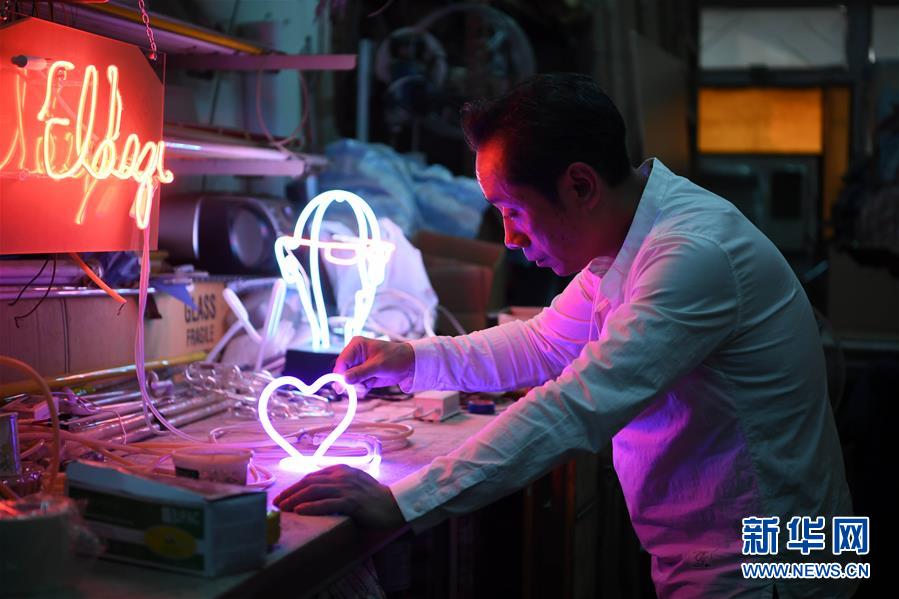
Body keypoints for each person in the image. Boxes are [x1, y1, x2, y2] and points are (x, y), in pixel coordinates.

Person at [275, 74, 856, 598]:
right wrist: (409, 359)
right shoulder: (633, 235)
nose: (509, 238)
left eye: (513, 210)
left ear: (580, 185)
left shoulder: (690, 256)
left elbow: (575, 409)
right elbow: (544, 343)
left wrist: (403, 503)